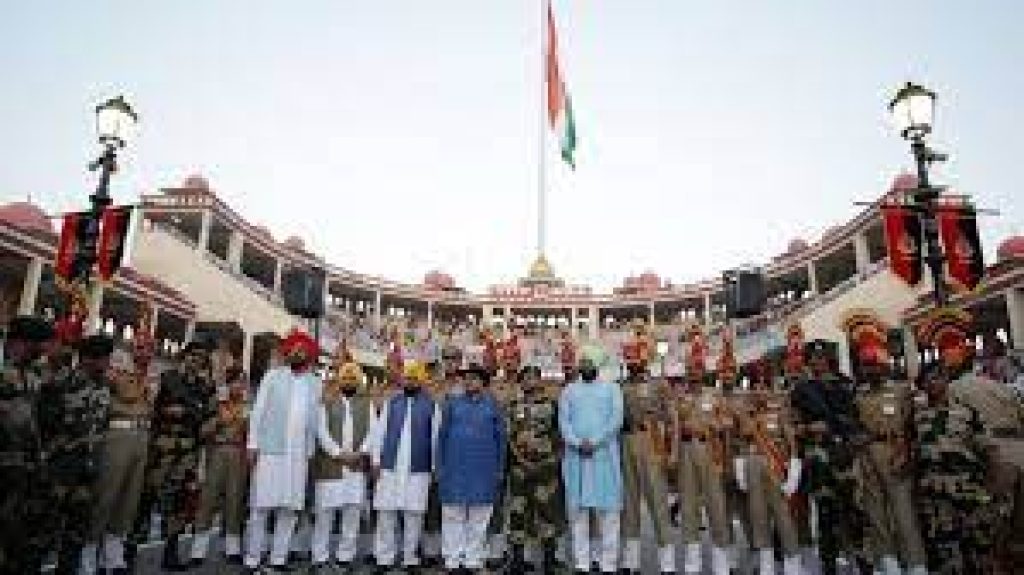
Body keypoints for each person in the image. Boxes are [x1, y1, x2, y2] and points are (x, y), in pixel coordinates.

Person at [914, 309, 1010, 573]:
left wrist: (992, 489)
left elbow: (990, 451)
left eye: (939, 377)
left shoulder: (965, 412)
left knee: (980, 552)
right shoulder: (918, 416)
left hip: (968, 492)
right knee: (947, 559)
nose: (934, 383)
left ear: (946, 381)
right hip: (935, 499)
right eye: (928, 380)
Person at [848, 321, 927, 575]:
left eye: (872, 365)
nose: (868, 370)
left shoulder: (902, 391)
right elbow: (855, 427)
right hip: (868, 460)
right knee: (877, 516)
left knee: (904, 516)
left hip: (896, 457)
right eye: (864, 365)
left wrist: (910, 456)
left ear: (883, 365)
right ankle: (890, 565)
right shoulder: (858, 395)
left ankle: (916, 566)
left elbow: (914, 427)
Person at [244, 329, 322, 572]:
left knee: (289, 509)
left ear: (309, 355)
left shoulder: (315, 383)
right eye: (295, 349)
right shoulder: (272, 376)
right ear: (288, 352)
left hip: (298, 456)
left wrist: (309, 452)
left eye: (303, 350)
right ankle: (253, 560)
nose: (299, 353)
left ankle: (278, 559)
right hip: (270, 451)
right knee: (260, 507)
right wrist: (252, 444)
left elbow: (315, 421)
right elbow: (258, 412)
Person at [40, 334, 114, 575]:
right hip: (60, 467)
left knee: (77, 530)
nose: (107, 363)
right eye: (103, 358)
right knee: (45, 530)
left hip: (87, 469)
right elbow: (45, 423)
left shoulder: (103, 386)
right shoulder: (61, 383)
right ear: (88, 359)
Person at [790, 339, 864, 575]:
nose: (817, 362)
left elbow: (856, 420)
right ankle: (829, 561)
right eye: (813, 358)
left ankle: (861, 558)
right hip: (818, 456)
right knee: (825, 512)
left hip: (843, 454)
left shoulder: (845, 385)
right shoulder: (802, 389)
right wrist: (805, 429)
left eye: (821, 358)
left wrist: (831, 426)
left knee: (853, 510)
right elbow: (794, 422)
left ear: (828, 359)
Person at [147, 339, 217, 571]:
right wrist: (170, 412)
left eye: (200, 357)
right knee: (147, 498)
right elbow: (151, 409)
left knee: (180, 503)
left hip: (188, 451)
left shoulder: (206, 388)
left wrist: (203, 425)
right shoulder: (167, 379)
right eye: (192, 355)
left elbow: (211, 418)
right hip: (161, 449)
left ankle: (171, 552)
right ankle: (124, 552)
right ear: (184, 356)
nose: (195, 360)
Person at [83, 348, 152, 575]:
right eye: (141, 349)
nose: (145, 355)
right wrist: (133, 376)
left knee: (128, 500)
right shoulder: (118, 369)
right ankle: (89, 554)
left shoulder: (143, 375)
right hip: (117, 437)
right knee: (106, 497)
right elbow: (126, 394)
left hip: (140, 438)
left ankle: (113, 556)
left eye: (149, 350)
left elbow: (149, 404)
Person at [369, 360, 441, 571]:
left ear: (421, 381)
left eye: (414, 378)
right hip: (389, 467)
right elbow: (379, 433)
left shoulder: (431, 405)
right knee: (386, 513)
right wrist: (375, 460)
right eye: (407, 378)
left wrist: (435, 468)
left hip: (419, 470)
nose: (410, 382)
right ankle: (384, 558)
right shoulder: (393, 403)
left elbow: (436, 439)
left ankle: (410, 558)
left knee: (414, 515)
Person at [436, 365, 506, 572]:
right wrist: (439, 466)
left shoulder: (493, 407)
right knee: (452, 515)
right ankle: (452, 559)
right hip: (454, 469)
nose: (469, 382)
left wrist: (500, 468)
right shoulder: (452, 405)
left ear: (483, 383)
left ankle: (473, 559)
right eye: (466, 379)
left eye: (474, 379)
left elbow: (501, 439)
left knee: (480, 517)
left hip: (484, 470)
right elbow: (442, 438)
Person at [559, 354, 624, 574]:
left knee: (609, 515)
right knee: (578, 514)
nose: (586, 366)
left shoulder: (611, 389)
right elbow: (563, 422)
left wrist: (595, 441)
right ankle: (582, 563)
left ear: (597, 366)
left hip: (604, 457)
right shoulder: (568, 391)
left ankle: (608, 564)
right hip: (576, 457)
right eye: (583, 362)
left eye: (590, 362)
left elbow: (616, 419)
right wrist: (578, 442)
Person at [0, 316, 54, 574]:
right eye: (37, 346)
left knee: (18, 536)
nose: (42, 352)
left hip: (23, 469)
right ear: (19, 343)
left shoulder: (33, 376)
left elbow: (31, 421)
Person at [310, 360, 375, 571]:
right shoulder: (327, 400)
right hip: (330, 465)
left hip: (356, 467)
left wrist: (360, 452)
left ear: (358, 381)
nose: (349, 381)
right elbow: (321, 431)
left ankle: (344, 558)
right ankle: (319, 557)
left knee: (352, 514)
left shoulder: (367, 403)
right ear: (339, 379)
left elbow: (373, 431)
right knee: (324, 515)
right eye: (345, 377)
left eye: (352, 378)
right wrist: (338, 454)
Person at [733, 379, 803, 575]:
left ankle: (792, 566)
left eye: (763, 389)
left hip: (775, 467)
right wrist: (740, 469)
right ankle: (766, 567)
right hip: (753, 467)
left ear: (769, 392)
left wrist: (794, 470)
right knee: (758, 517)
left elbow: (792, 442)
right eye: (755, 389)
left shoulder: (779, 413)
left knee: (783, 517)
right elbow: (741, 441)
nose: (759, 392)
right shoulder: (746, 416)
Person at [674, 358, 732, 575]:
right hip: (687, 452)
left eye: (696, 370)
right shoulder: (679, 397)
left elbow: (727, 422)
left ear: (702, 372)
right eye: (689, 370)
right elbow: (672, 426)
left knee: (716, 505)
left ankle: (721, 564)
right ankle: (692, 565)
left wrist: (709, 425)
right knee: (688, 506)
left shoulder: (714, 395)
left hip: (710, 451)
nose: (692, 374)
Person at [619, 357, 675, 574]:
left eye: (637, 359)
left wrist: (671, 449)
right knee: (629, 502)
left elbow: (670, 417)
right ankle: (630, 562)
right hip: (627, 441)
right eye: (630, 359)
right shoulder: (621, 386)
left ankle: (667, 563)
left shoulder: (658, 384)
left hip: (651, 439)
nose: (634, 364)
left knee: (658, 501)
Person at [189, 366, 249, 566]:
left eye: (242, 382)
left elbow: (253, 435)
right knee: (208, 500)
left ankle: (233, 548)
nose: (239, 386)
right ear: (228, 383)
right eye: (236, 382)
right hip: (217, 452)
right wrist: (217, 420)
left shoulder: (248, 405)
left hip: (239, 455)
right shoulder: (215, 402)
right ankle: (198, 551)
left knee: (235, 501)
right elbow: (201, 430)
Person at [507, 365, 564, 572]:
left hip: (545, 469)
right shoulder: (513, 406)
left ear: (540, 381)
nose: (530, 382)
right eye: (526, 378)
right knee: (517, 512)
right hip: (520, 469)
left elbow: (559, 436)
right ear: (521, 383)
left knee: (547, 512)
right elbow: (509, 436)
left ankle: (549, 558)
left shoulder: (551, 405)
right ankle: (518, 559)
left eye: (534, 378)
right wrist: (520, 460)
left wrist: (553, 461)